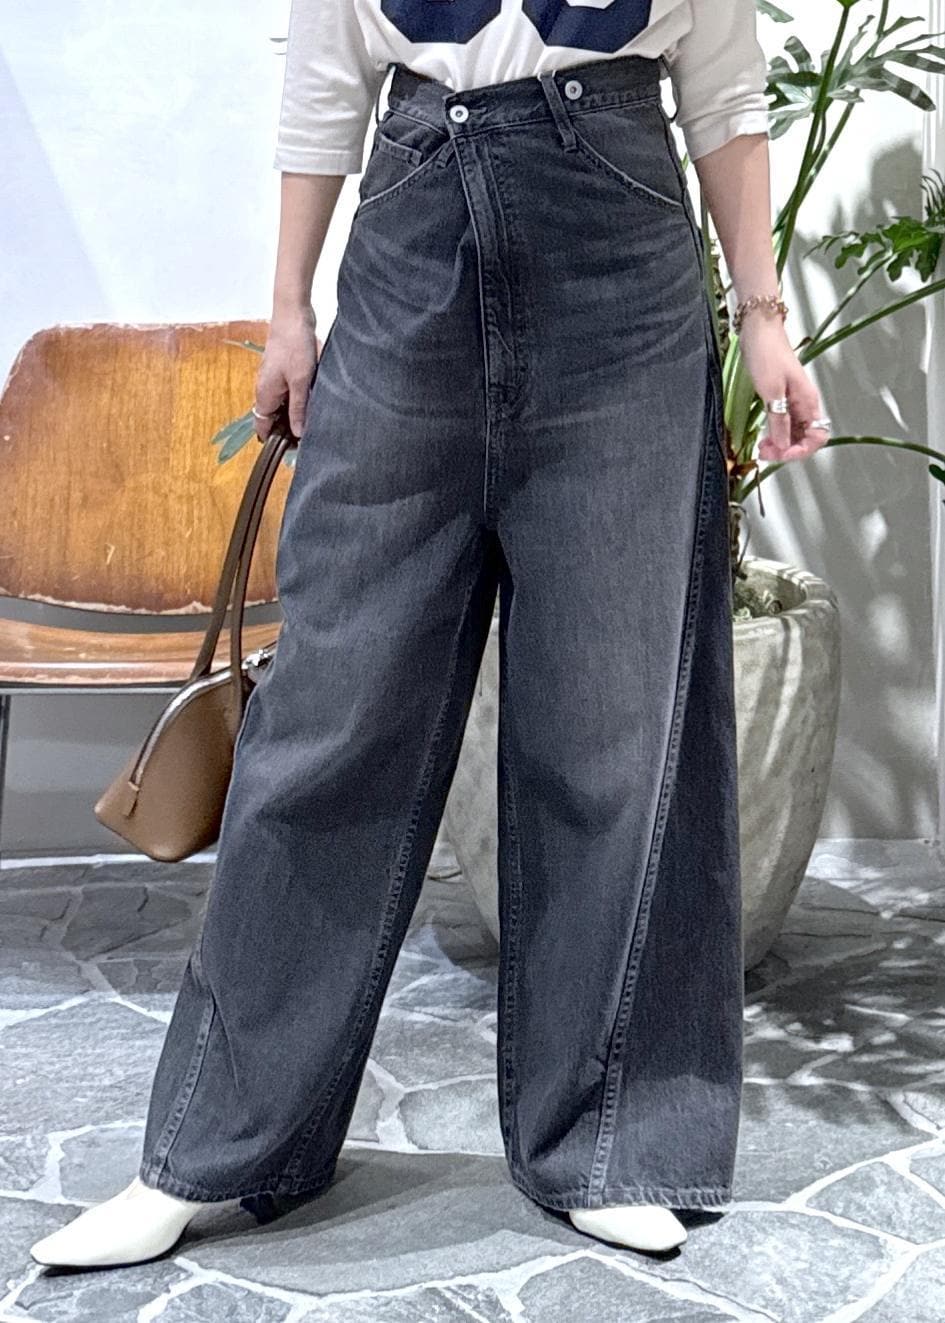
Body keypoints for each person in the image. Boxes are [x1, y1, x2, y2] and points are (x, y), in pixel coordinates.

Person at [32, 0, 829, 1269]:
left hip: (621, 255)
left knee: (612, 727)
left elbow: (725, 94)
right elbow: (324, 85)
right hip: (409, 240)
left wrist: (767, 320)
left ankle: (606, 1139)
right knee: (327, 719)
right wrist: (288, 314)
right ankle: (209, 1148)